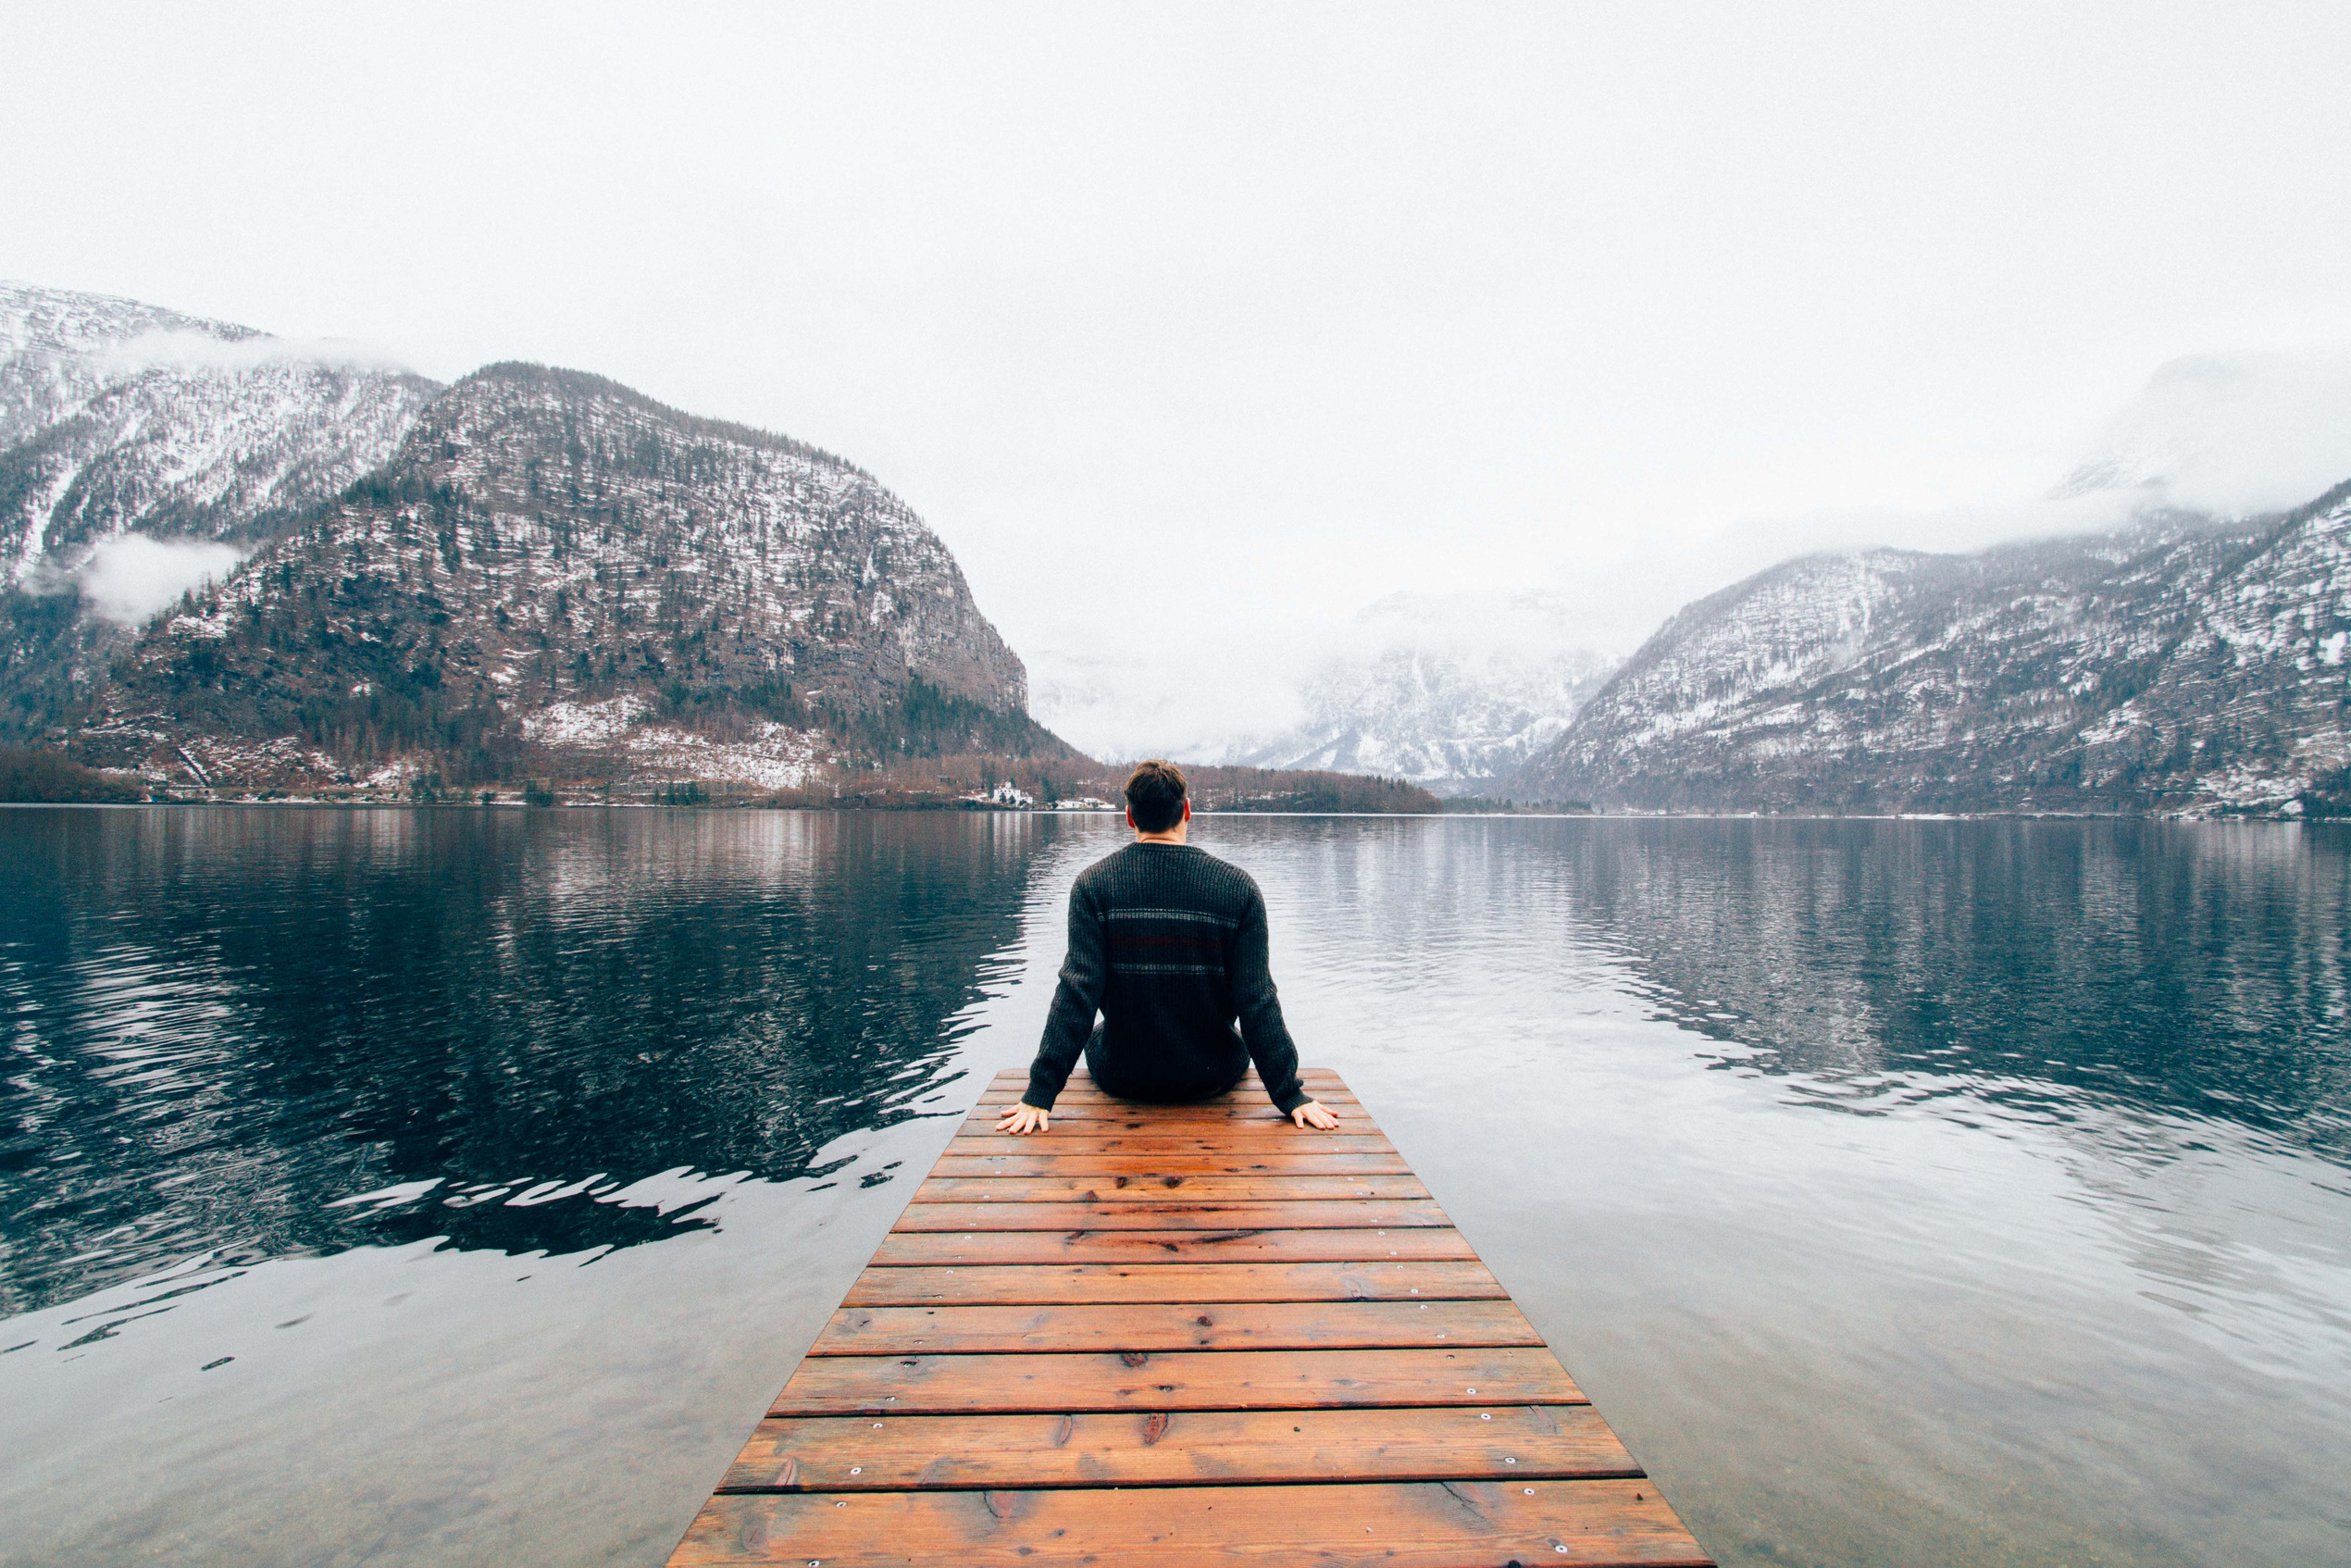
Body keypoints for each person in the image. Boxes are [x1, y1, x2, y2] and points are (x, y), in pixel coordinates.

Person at [996, 759, 1342, 1136]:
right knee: (1235, 1035)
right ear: (1187, 811)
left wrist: (1040, 1094)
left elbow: (1077, 993)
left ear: (1129, 817)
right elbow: (1256, 1000)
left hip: (1123, 1075)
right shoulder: (1239, 889)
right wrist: (1290, 1095)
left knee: (1099, 1028)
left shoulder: (1092, 886)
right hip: (1212, 1075)